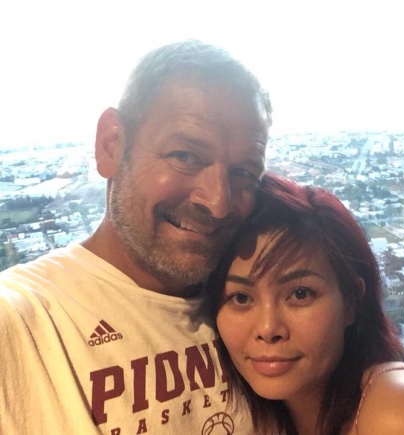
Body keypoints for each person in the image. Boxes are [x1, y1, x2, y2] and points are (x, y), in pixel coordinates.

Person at [0, 40, 271, 434]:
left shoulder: (253, 313)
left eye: (244, 173)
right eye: (184, 156)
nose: (217, 203)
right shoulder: (21, 321)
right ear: (111, 145)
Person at [208, 173, 404, 435]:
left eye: (300, 294)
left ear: (351, 301)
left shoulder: (401, 410)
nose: (268, 329)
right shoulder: (254, 419)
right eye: (241, 298)